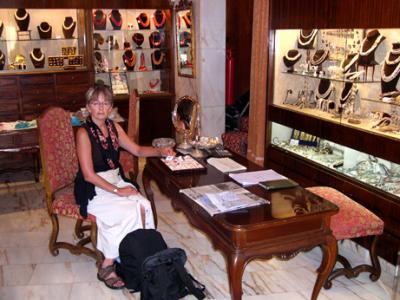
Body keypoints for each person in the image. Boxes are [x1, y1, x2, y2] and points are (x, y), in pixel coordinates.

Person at [74, 85, 175, 290]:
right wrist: (118, 191)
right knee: (126, 211)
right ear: (88, 107)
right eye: (96, 103)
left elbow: (136, 149)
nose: (101, 108)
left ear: (111, 107)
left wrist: (160, 151)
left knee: (143, 204)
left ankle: (140, 255)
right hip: (93, 187)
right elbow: (88, 175)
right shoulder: (83, 133)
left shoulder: (114, 128)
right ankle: (108, 264)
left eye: (105, 103)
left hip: (116, 179)